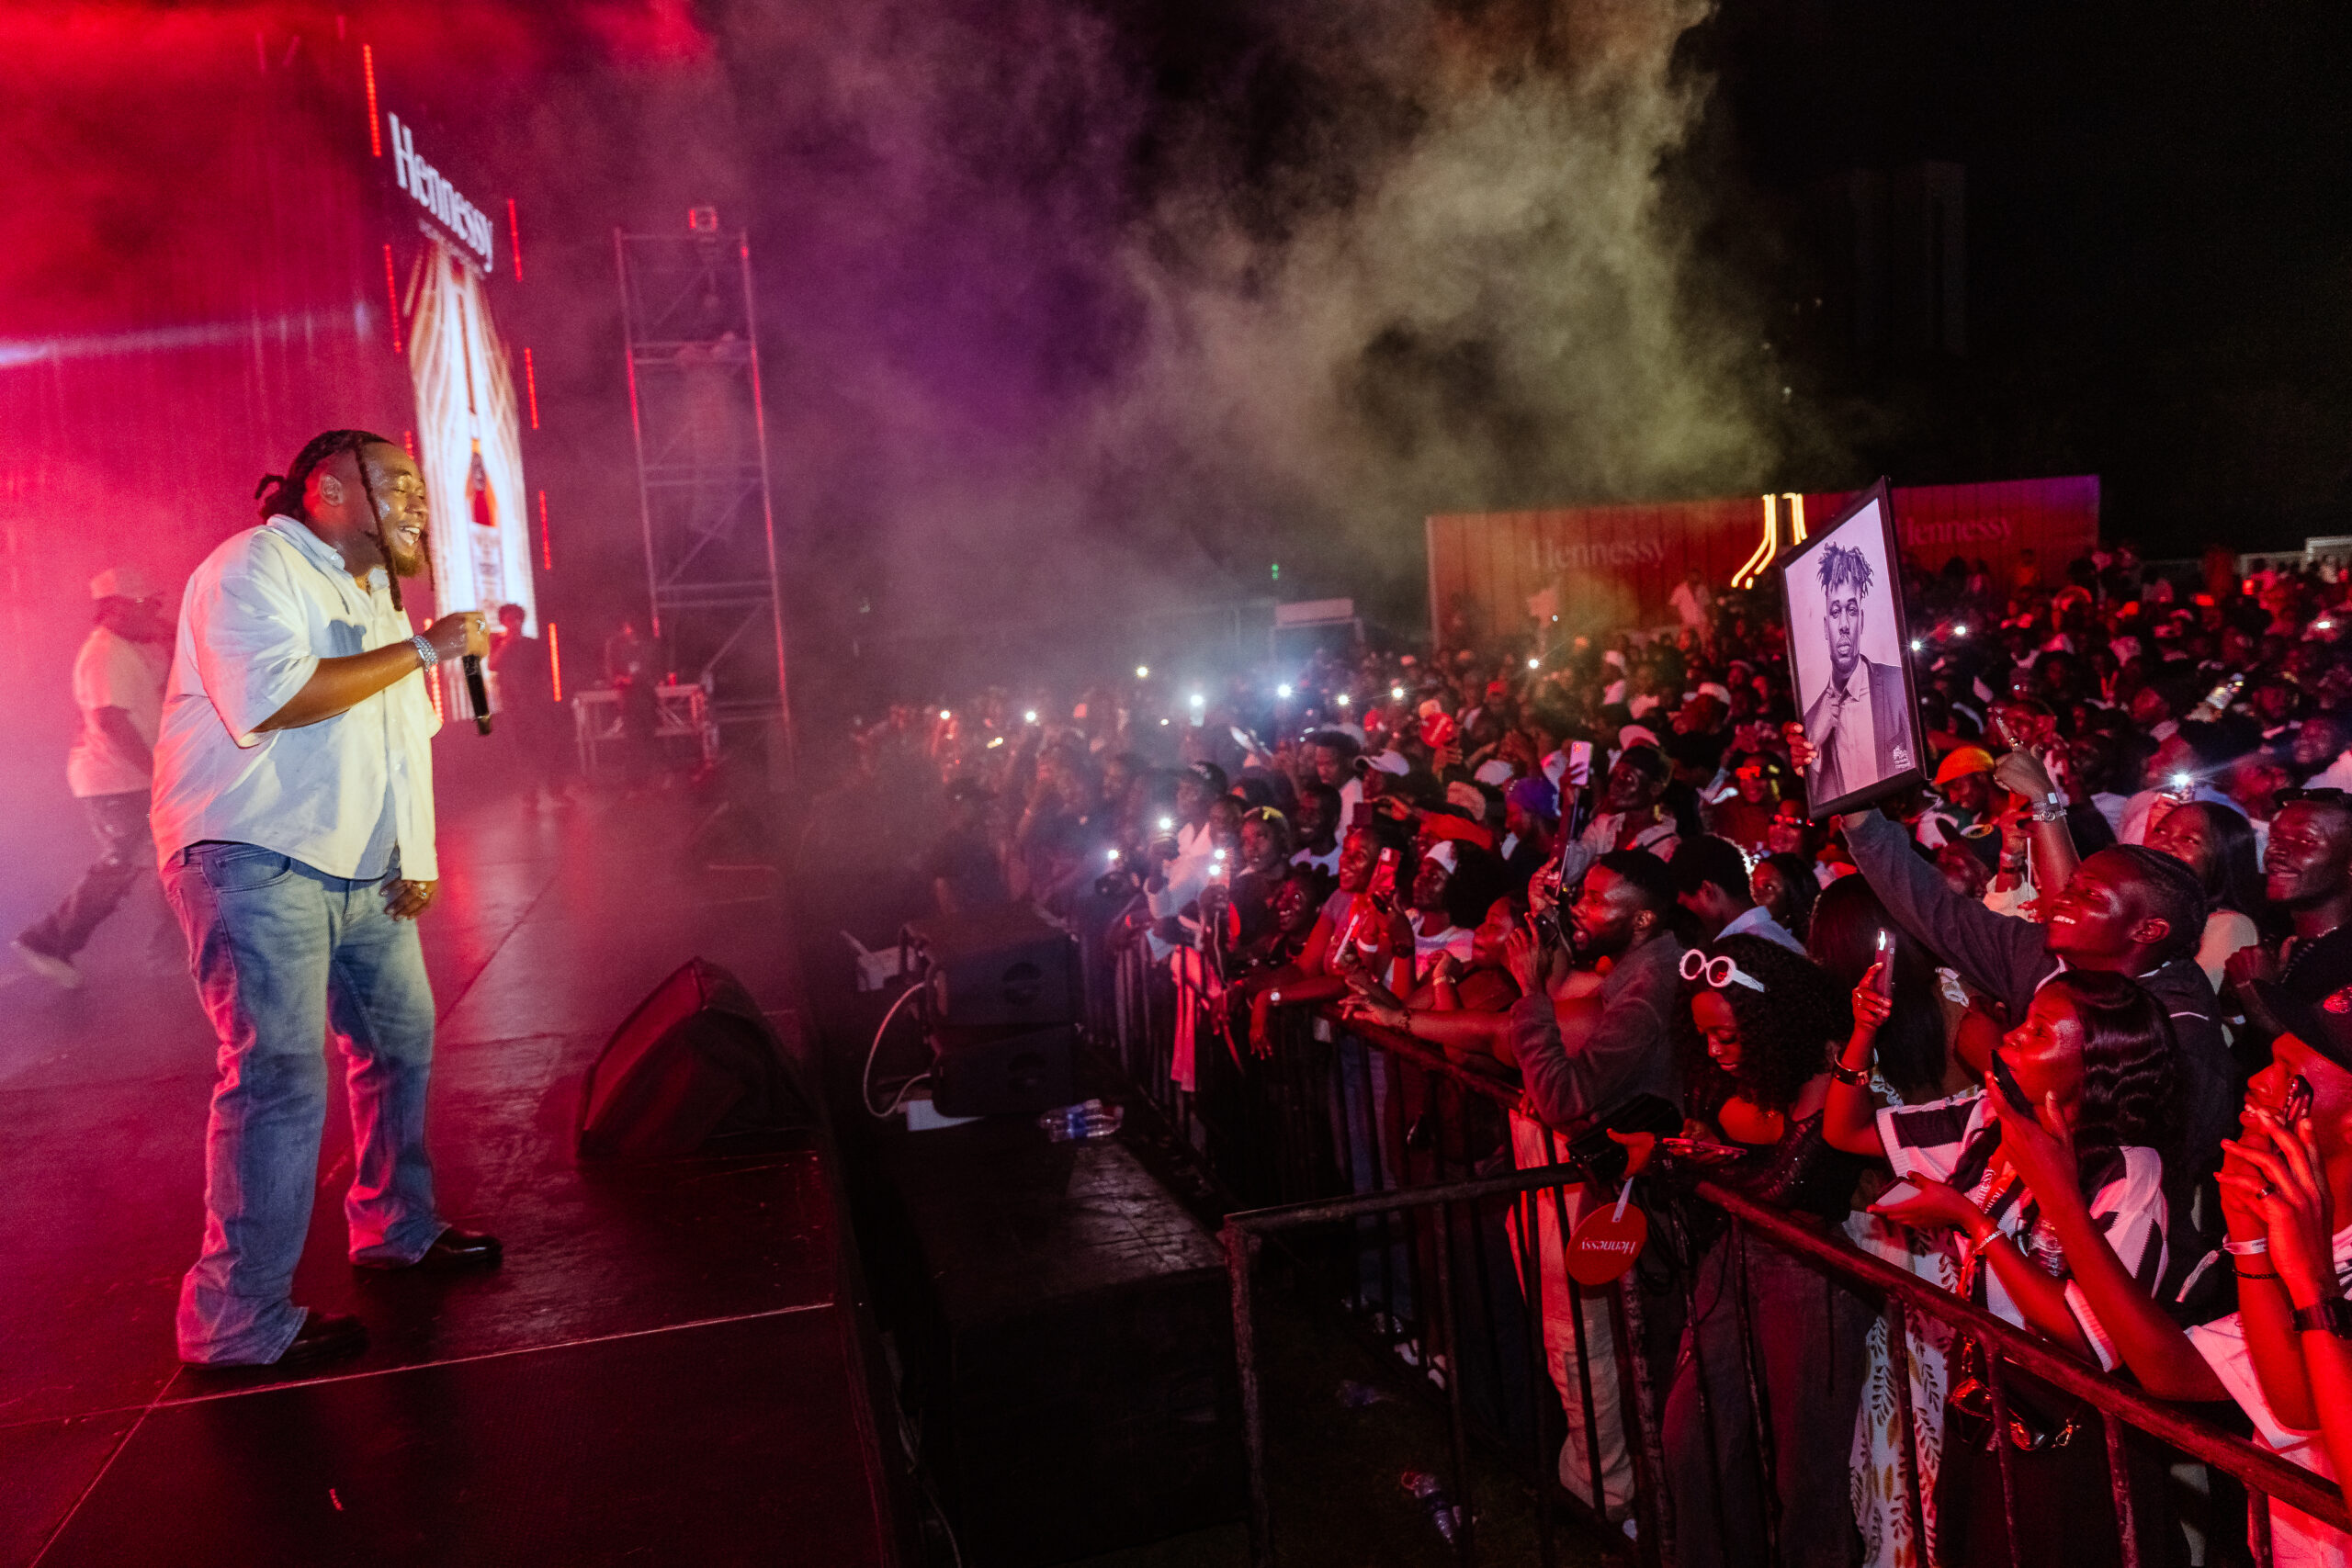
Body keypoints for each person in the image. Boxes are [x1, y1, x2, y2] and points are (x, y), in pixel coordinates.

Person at [150, 429, 498, 1369]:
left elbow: (400, 740)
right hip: (254, 855)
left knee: (399, 1043)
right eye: (399, 485)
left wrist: (414, 851)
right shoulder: (250, 567)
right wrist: (422, 647)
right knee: (277, 1076)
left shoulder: (375, 592)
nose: (418, 503)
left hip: (360, 866)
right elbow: (274, 698)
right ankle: (233, 1316)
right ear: (330, 491)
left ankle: (395, 1225)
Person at [1835, 970, 2184, 1568]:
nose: (2013, 1035)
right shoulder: (1988, 1119)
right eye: (2024, 1019)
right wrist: (1863, 1033)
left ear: (2092, 1069)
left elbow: (2089, 1337)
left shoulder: (2128, 1173)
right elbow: (1847, 1131)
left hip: (2069, 1438)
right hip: (1984, 1406)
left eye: (2040, 1031)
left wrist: (1973, 1221)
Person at [2016, 978, 2352, 1568]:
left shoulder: (2325, 1259)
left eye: (2289, 1075)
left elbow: (2180, 1373)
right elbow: (2288, 1405)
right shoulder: (2299, 1238)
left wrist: (2063, 1203)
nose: (2258, 1081)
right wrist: (2250, 1240)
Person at [1664, 934, 1873, 1568]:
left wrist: (1709, 1164)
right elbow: (1706, 1121)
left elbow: (1793, 1186)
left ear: (1770, 1022)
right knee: (1690, 1438)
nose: (1713, 1050)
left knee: (1806, 1476)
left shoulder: (1830, 1070)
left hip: (1810, 1275)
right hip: (1735, 1257)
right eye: (1704, 1035)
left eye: (1728, 1036)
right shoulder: (1735, 1071)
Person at [1498, 850, 1689, 1517]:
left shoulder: (1646, 993)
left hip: (1637, 1207)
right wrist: (1547, 918)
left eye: (1595, 900)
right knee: (1596, 1351)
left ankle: (1617, 1499)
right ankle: (1614, 1488)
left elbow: (1564, 1096)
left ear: (1642, 918)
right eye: (1580, 895)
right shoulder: (1634, 964)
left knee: (1596, 1352)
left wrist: (1529, 996)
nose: (1580, 907)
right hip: (1611, 1200)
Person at [13, 567, 176, 987]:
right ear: (115, 609)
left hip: (133, 778)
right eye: (143, 604)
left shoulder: (136, 646)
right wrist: (160, 773)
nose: (153, 612)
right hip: (115, 782)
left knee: (172, 860)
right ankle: (47, 942)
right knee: (124, 864)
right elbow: (111, 723)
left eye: (154, 603)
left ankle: (173, 955)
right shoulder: (104, 653)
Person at [1801, 542, 1911, 804]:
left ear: (1861, 620)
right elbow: (1817, 802)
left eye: (1851, 611)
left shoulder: (1897, 685)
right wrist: (1814, 746)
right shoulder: (1812, 719)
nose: (1844, 625)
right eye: (1835, 612)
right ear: (1825, 627)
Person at [486, 603, 566, 806]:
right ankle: (530, 795)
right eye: (509, 619)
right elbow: (492, 665)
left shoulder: (532, 644)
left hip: (536, 703)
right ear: (503, 622)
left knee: (547, 747)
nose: (514, 623)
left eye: (517, 618)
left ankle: (555, 790)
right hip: (512, 705)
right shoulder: (497, 642)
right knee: (522, 751)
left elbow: (544, 671)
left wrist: (545, 696)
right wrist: (507, 643)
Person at [1671, 833, 1804, 951]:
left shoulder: (1744, 952)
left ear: (1707, 892)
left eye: (1685, 905)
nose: (1685, 917)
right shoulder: (1774, 937)